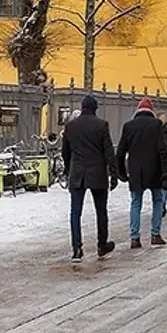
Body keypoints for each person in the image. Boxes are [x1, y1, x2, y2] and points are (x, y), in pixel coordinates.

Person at [62, 94, 117, 263]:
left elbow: (66, 152)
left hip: (77, 172)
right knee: (101, 210)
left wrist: (68, 168)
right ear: (95, 108)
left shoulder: (70, 127)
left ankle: (77, 248)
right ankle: (102, 245)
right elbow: (108, 151)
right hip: (97, 173)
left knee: (75, 212)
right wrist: (114, 173)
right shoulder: (101, 125)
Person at [116, 97, 167, 249]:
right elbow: (163, 150)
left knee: (136, 202)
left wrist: (121, 173)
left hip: (135, 171)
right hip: (154, 170)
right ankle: (155, 234)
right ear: (151, 111)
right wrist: (166, 172)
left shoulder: (128, 126)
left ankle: (134, 237)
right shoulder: (156, 125)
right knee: (157, 200)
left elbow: (121, 151)